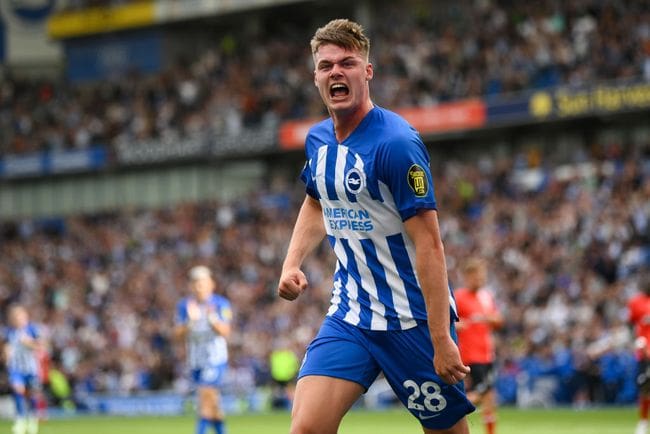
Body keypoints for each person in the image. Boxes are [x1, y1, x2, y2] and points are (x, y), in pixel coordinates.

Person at [277, 18, 474, 434]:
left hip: (411, 320)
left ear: (367, 71)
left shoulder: (396, 145)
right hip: (351, 314)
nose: (336, 72)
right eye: (326, 65)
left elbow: (430, 246)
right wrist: (291, 263)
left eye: (347, 63)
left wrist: (441, 339)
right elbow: (316, 201)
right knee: (305, 429)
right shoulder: (318, 141)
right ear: (315, 77)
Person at [175, 265, 232, 434]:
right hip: (196, 361)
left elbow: (226, 331)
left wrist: (211, 317)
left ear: (211, 284)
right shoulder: (184, 306)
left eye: (202, 282)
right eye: (195, 282)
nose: (198, 286)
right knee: (213, 406)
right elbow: (177, 335)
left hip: (215, 360)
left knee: (205, 402)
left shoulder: (220, 304)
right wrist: (190, 322)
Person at [454, 258, 503, 434]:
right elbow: (447, 321)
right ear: (467, 276)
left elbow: (498, 320)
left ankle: (489, 431)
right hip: (470, 354)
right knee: (482, 394)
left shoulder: (486, 296)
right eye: (476, 276)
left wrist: (488, 319)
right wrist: (458, 325)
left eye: (482, 276)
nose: (480, 279)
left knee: (489, 397)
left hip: (487, 354)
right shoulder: (458, 297)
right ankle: (452, 412)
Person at [3, 304, 45, 434]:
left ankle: (32, 421)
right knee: (18, 391)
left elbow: (40, 346)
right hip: (16, 368)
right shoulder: (9, 332)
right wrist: (6, 354)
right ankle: (20, 420)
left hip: (31, 369)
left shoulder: (32, 329)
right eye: (15, 317)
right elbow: (6, 347)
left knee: (32, 395)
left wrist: (28, 342)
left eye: (20, 316)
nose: (18, 319)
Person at [628, 272, 650, 434]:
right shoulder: (636, 303)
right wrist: (635, 340)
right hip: (643, 353)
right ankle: (643, 422)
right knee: (644, 387)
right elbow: (630, 324)